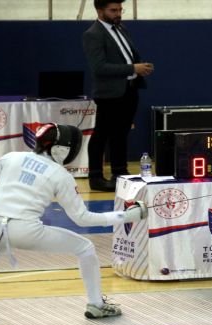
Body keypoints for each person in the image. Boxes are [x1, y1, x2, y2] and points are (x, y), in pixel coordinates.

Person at [0, 123, 148, 318]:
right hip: (25, 232)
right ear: (60, 149)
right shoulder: (60, 175)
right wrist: (128, 216)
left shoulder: (10, 158)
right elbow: (83, 219)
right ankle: (96, 303)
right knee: (85, 248)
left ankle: (97, 304)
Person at [83, 0, 154, 191]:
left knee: (121, 133)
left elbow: (127, 55)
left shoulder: (121, 29)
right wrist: (133, 68)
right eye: (113, 10)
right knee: (101, 134)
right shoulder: (93, 34)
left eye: (120, 10)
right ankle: (96, 177)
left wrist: (139, 68)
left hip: (128, 89)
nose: (118, 13)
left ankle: (119, 172)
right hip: (109, 93)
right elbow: (99, 67)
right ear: (99, 11)